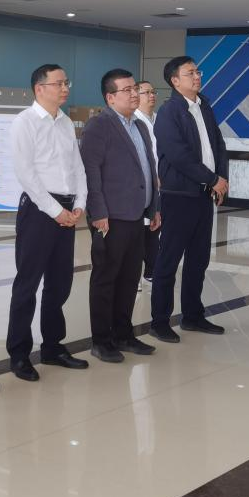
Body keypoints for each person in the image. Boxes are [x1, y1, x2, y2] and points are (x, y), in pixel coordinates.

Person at [7, 64, 90, 381]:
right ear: (39, 88)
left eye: (67, 82)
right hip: (39, 210)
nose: (65, 88)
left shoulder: (65, 122)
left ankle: (53, 347)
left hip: (67, 208)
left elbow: (77, 167)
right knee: (27, 283)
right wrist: (55, 210)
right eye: (59, 83)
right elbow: (25, 174)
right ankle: (19, 354)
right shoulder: (25, 122)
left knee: (60, 282)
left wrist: (79, 204)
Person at [80, 69, 161, 363]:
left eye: (135, 89)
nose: (134, 94)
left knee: (129, 278)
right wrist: (98, 213)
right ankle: (101, 341)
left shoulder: (139, 126)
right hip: (110, 217)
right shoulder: (99, 126)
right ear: (110, 97)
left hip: (137, 215)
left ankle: (124, 334)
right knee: (106, 279)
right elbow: (91, 173)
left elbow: (149, 169)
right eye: (127, 90)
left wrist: (154, 207)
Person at [150, 55, 229, 342]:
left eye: (197, 72)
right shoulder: (169, 112)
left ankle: (193, 316)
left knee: (199, 259)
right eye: (190, 73)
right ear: (175, 81)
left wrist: (221, 178)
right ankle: (159, 321)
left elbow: (218, 145)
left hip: (203, 194)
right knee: (169, 260)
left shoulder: (204, 106)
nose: (197, 76)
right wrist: (212, 178)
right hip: (179, 195)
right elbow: (178, 155)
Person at [134, 80, 161, 282]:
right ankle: (136, 275)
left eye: (153, 92)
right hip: (143, 184)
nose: (151, 96)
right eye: (146, 92)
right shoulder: (134, 121)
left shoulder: (159, 119)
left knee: (155, 227)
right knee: (140, 231)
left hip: (161, 184)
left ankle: (151, 271)